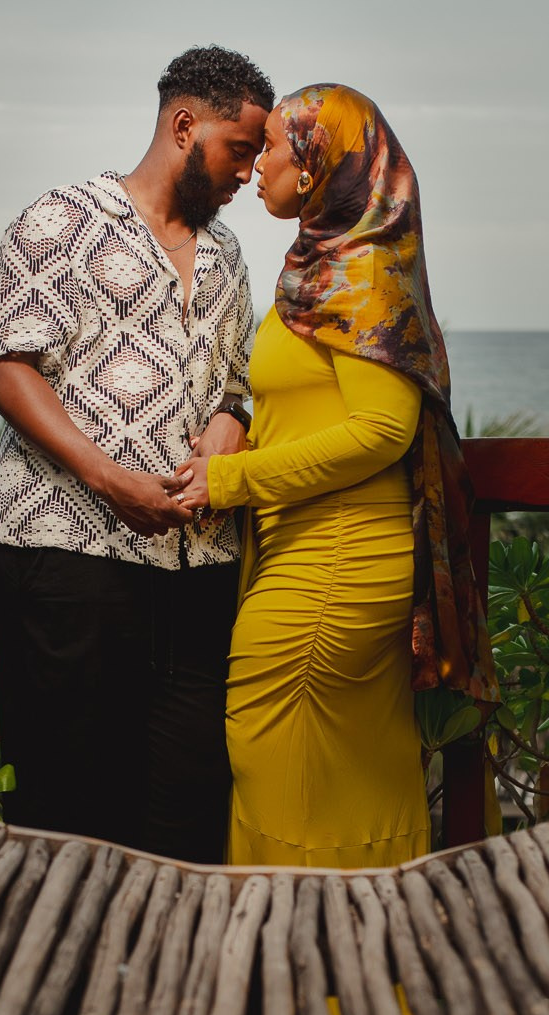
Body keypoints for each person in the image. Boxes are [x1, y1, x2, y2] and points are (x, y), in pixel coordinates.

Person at [171, 84, 497, 868]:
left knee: (273, 768)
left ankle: (306, 976)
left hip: (336, 568)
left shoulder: (365, 273)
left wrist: (228, 483)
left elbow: (382, 432)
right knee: (339, 784)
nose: (258, 169)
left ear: (316, 165)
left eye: (275, 149)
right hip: (307, 557)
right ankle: (356, 981)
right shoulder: (323, 270)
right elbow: (308, 410)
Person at [0, 46, 273, 862]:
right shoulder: (60, 219)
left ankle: (167, 986)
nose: (250, 173)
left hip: (200, 563)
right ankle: (61, 986)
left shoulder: (229, 257)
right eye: (239, 149)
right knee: (69, 803)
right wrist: (111, 482)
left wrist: (230, 422)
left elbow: (236, 385)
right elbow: (6, 368)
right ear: (185, 127)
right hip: (67, 552)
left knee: (190, 802)